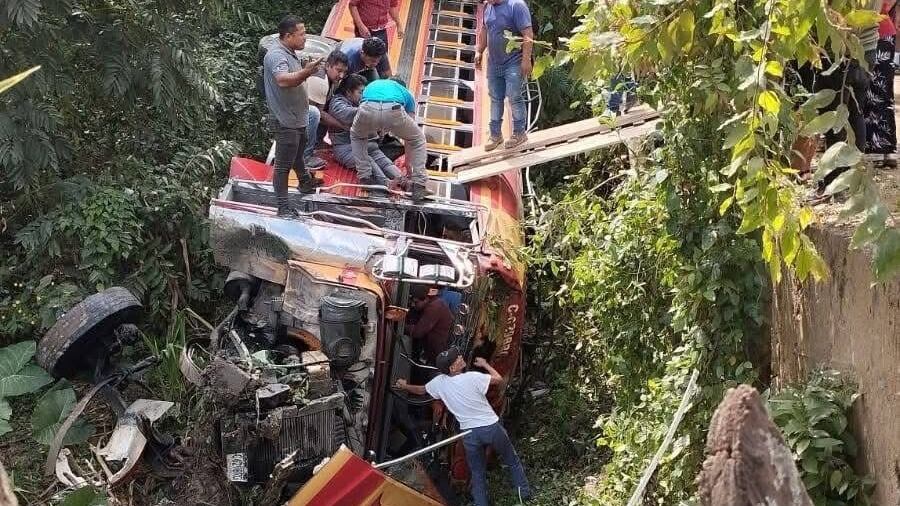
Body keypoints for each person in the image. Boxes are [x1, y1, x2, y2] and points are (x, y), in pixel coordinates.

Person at [394, 348, 531, 506]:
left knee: (478, 473)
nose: (460, 357)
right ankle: (525, 496)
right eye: (457, 358)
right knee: (511, 460)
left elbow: (421, 390)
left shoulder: (439, 383)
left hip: (469, 434)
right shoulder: (472, 378)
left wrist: (404, 386)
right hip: (491, 427)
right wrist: (485, 364)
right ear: (452, 368)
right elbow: (498, 379)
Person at [263, 16, 323, 217]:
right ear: (288, 36)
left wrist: (306, 69)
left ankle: (305, 182)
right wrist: (306, 72)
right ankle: (283, 207)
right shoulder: (276, 55)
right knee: (282, 166)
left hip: (298, 117)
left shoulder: (290, 52)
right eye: (301, 34)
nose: (305, 38)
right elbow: (282, 80)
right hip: (285, 120)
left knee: (298, 154)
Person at [350, 77, 429, 200]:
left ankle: (365, 177)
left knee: (357, 137)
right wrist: (408, 165)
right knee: (418, 139)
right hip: (394, 108)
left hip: (367, 108)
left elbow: (363, 103)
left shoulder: (374, 83)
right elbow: (409, 140)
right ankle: (419, 185)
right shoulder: (406, 93)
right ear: (403, 87)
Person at [474, 0, 534, 151]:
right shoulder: (488, 6)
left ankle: (519, 132)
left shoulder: (516, 6)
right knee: (495, 98)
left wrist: (526, 60)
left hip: (513, 61)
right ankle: (495, 135)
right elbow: (485, 30)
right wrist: (479, 51)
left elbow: (528, 34)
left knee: (514, 96)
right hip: (494, 63)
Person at [329, 74, 403, 182]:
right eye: (360, 92)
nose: (363, 95)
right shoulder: (337, 103)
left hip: (369, 145)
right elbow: (349, 115)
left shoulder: (361, 102)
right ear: (349, 92)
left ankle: (405, 182)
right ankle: (385, 185)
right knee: (369, 164)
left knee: (386, 163)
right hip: (346, 148)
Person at [865, 0, 898, 167]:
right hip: (878, 30)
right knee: (876, 90)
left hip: (873, 31)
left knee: (877, 90)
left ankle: (881, 149)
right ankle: (883, 149)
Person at [304, 50, 351, 169]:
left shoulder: (332, 78)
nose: (341, 76)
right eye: (338, 70)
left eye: (344, 72)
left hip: (304, 110)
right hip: (294, 112)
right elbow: (318, 114)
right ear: (327, 66)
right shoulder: (320, 80)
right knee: (314, 114)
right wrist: (344, 127)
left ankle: (317, 142)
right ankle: (305, 157)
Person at [349, 0, 403, 77]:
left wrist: (399, 24)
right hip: (365, 31)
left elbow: (392, 6)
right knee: (365, 60)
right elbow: (352, 5)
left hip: (381, 30)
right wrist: (360, 26)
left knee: (381, 59)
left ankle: (386, 82)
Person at [406, 285, 453, 365]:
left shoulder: (435, 307)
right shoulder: (433, 304)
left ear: (425, 299)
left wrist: (399, 325)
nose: (413, 305)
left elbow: (418, 332)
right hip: (432, 352)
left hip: (437, 356)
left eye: (416, 302)